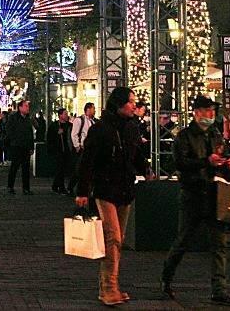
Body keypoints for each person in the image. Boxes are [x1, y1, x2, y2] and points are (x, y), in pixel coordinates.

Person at [161, 96, 230, 306]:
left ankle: (219, 289)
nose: (210, 115)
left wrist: (227, 163)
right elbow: (180, 162)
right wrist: (206, 161)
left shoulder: (215, 135)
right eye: (206, 111)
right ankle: (166, 278)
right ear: (196, 113)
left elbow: (222, 156)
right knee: (183, 240)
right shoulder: (184, 136)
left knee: (219, 244)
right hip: (193, 194)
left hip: (215, 194)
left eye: (212, 111)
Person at [76, 87, 149, 307]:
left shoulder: (131, 128)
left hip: (125, 190)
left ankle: (110, 285)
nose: (134, 106)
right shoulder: (100, 129)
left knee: (118, 240)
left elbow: (136, 155)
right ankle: (109, 287)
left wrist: (146, 170)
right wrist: (82, 191)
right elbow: (87, 162)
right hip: (105, 190)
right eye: (130, 102)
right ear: (118, 104)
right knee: (113, 237)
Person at [6, 100, 36, 195]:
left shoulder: (28, 119)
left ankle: (26, 188)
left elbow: (30, 133)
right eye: (26, 106)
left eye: (28, 106)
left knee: (26, 168)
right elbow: (9, 130)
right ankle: (10, 187)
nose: (28, 108)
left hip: (26, 147)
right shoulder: (13, 118)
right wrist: (14, 141)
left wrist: (31, 147)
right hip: (16, 146)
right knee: (14, 167)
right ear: (20, 107)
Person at [49, 108, 74, 194]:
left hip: (67, 150)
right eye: (65, 114)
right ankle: (61, 187)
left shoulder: (70, 125)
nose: (67, 116)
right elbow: (50, 138)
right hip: (58, 151)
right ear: (60, 115)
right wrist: (57, 134)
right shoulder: (54, 126)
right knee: (60, 169)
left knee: (62, 169)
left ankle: (55, 186)